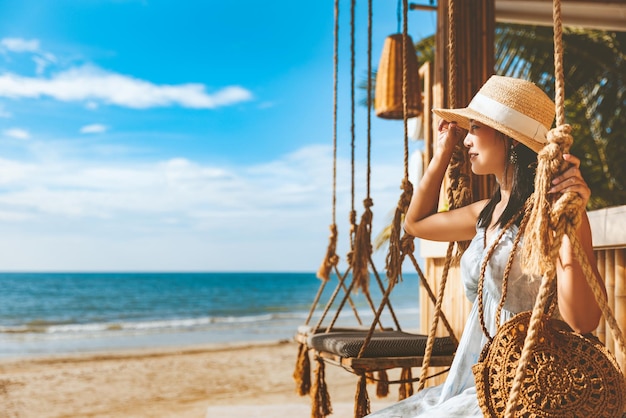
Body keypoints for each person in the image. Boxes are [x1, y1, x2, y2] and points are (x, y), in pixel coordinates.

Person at [366, 75, 605, 417]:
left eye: (475, 128)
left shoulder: (552, 214)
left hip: (531, 380)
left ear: (509, 139)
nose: (467, 140)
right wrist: (444, 149)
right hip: (479, 375)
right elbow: (414, 224)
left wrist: (570, 217)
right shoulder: (486, 212)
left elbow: (584, 321)